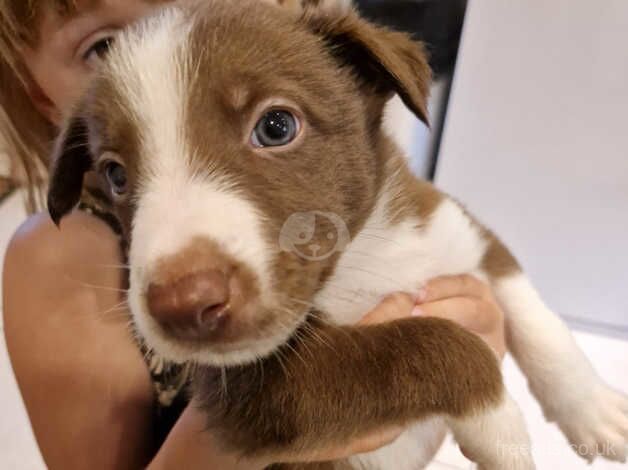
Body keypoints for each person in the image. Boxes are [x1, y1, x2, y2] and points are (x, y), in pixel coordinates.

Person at [0, 1, 507, 468]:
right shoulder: (55, 258)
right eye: (105, 45)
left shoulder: (331, 185)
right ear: (39, 94)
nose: (170, 47)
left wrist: (459, 349)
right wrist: (264, 411)